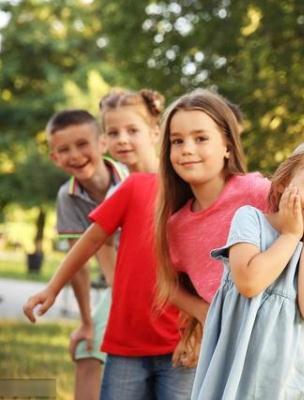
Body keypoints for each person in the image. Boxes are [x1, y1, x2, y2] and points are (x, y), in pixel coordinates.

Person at [23, 88, 198, 400]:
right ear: (105, 139)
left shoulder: (182, 182)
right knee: (89, 351)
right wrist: (87, 315)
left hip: (177, 309)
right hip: (129, 301)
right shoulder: (100, 192)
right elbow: (94, 246)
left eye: (132, 131)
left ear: (155, 133)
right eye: (114, 132)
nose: (122, 140)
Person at [190, 132, 304, 400]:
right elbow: (249, 283)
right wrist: (290, 235)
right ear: (284, 182)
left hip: (288, 386)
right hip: (234, 376)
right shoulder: (250, 221)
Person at [154, 88, 271, 367]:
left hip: (272, 344)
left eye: (201, 138)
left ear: (227, 146)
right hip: (223, 351)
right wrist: (204, 313)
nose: (187, 149)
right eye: (177, 141)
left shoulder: (259, 193)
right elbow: (167, 284)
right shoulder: (176, 225)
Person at [42, 109, 128, 400]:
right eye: (64, 150)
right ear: (54, 158)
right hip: (121, 283)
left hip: (160, 277)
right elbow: (78, 264)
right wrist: (87, 322)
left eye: (82, 144)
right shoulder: (68, 197)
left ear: (102, 143)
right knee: (86, 349)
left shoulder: (133, 176)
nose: (75, 155)